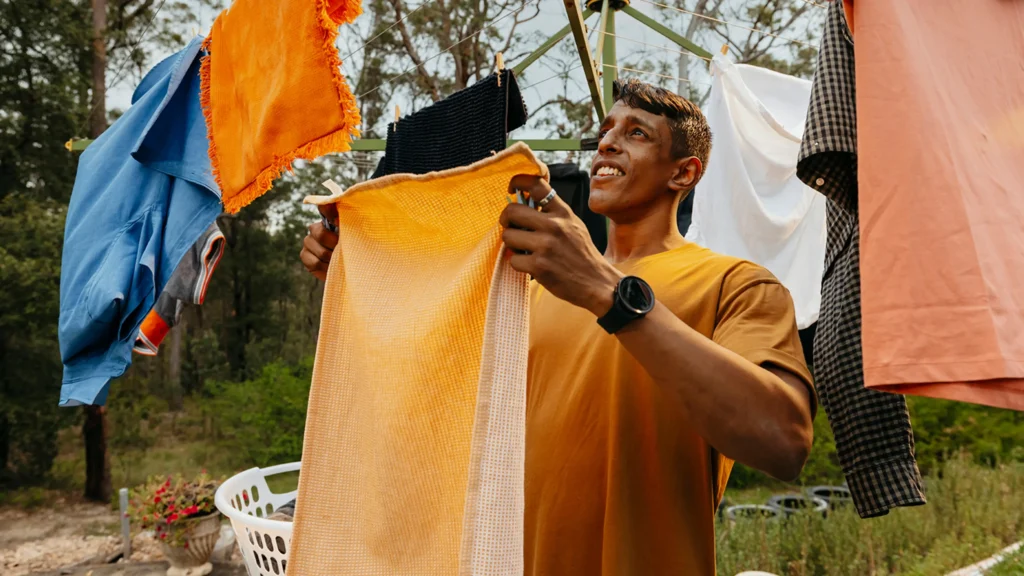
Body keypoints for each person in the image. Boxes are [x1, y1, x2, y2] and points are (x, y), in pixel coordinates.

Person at [300, 79, 816, 575]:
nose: (608, 143)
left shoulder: (736, 284)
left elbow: (782, 442)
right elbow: (433, 394)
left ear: (684, 173)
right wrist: (362, 271)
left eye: (636, 133)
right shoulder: (531, 291)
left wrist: (609, 295)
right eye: (607, 131)